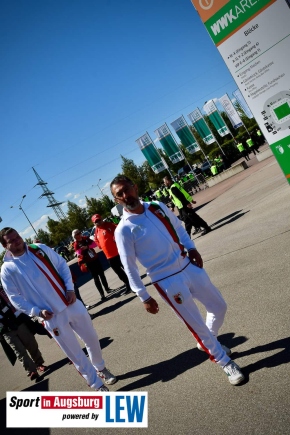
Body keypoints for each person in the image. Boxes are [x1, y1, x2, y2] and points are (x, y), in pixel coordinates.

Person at [110, 175, 245, 386]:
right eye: (120, 194)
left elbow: (179, 228)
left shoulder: (157, 207)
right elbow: (129, 266)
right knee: (196, 324)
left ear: (135, 187)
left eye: (127, 189)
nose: (126, 195)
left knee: (219, 306)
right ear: (117, 200)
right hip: (165, 279)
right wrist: (143, 295)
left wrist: (192, 248)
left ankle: (208, 342)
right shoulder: (123, 230)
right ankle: (223, 360)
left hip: (188, 265)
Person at [0, 228, 117, 391]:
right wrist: (36, 312)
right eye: (11, 240)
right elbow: (15, 298)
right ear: (5, 245)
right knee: (75, 353)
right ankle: (96, 384)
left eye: (17, 236)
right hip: (51, 317)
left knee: (92, 339)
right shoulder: (7, 269)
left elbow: (62, 265)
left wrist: (70, 289)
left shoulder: (39, 249)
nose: (17, 240)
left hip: (71, 303)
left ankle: (100, 367)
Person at [0, 284, 48, 381]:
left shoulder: (3, 289)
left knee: (31, 343)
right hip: (5, 329)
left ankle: (39, 364)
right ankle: (31, 370)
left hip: (17, 321)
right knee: (19, 351)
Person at [91, 214, 133, 296]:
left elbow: (120, 230)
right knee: (119, 273)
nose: (98, 222)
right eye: (96, 221)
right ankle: (128, 285)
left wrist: (116, 239)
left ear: (102, 219)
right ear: (94, 223)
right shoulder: (96, 230)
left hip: (119, 253)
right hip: (109, 256)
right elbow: (96, 240)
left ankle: (134, 283)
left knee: (128, 269)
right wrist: (100, 245)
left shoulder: (109, 225)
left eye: (99, 220)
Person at [72, 229, 113, 302]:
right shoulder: (76, 244)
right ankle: (102, 294)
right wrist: (80, 251)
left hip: (95, 258)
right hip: (88, 262)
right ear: (74, 236)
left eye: (79, 233)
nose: (79, 235)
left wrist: (87, 247)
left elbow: (94, 244)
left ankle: (107, 288)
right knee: (96, 278)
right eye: (77, 234)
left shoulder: (86, 238)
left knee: (102, 274)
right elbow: (78, 253)